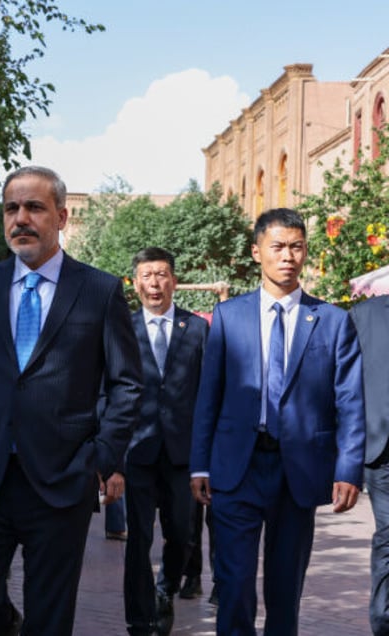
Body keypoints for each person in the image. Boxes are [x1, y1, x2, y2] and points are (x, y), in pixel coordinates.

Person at [0, 165, 142, 634]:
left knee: (49, 621)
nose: (21, 218)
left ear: (61, 216)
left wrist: (101, 457)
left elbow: (127, 384)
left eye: (34, 207)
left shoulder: (99, 290)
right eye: (11, 208)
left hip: (61, 482)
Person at [190, 207, 365, 635]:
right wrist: (200, 462)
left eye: (297, 247)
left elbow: (351, 401)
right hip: (236, 468)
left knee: (286, 591)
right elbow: (208, 394)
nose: (288, 256)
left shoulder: (333, 321)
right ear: (257, 252)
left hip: (299, 472)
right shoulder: (229, 317)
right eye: (278, 247)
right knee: (233, 585)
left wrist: (349, 469)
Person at [123, 247, 208, 636]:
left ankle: (164, 591)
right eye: (147, 275)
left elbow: (209, 393)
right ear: (135, 282)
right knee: (137, 538)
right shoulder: (121, 329)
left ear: (173, 280)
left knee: (182, 534)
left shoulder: (197, 328)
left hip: (181, 454)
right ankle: (139, 617)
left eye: (162, 274)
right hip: (136, 451)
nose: (154, 283)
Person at [350, 294, 389, 635]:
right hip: (383, 450)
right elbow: (347, 387)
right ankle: (383, 618)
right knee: (388, 535)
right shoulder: (365, 314)